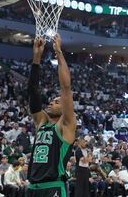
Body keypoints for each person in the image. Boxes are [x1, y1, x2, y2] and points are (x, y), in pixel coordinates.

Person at [27, 35, 77, 197]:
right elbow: (33, 91)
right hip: (33, 188)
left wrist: (59, 52)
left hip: (53, 186)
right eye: (51, 100)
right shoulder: (41, 121)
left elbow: (66, 87)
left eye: (56, 101)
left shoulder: (65, 125)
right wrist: (37, 57)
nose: (51, 102)